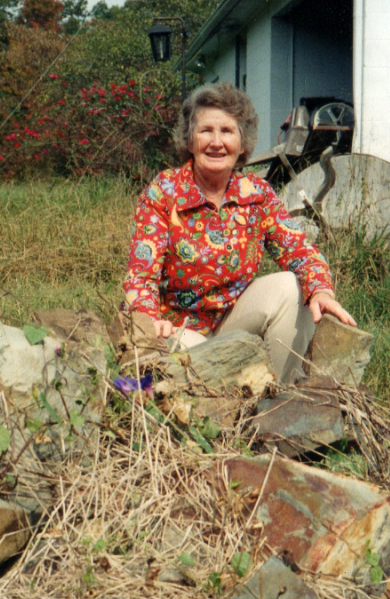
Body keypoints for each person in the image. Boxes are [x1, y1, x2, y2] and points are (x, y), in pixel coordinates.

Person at [122, 82, 356, 384]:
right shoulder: (163, 192)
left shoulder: (257, 194)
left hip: (233, 325)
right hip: (177, 331)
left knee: (292, 286)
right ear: (190, 140)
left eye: (227, 131)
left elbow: (300, 251)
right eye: (206, 131)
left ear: (243, 143)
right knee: (184, 358)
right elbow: (140, 275)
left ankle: (278, 398)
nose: (216, 142)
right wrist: (149, 320)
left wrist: (321, 290)